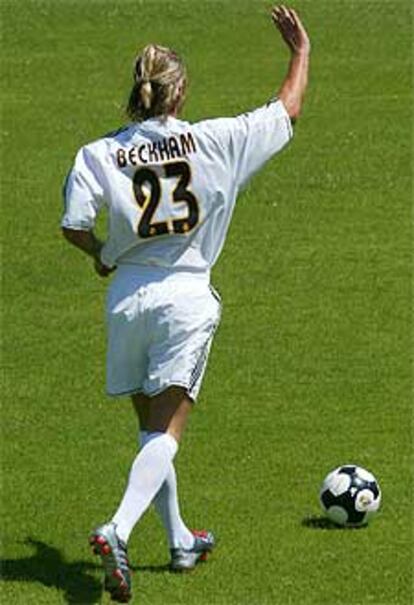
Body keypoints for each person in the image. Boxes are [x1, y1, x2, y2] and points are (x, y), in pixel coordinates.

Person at [61, 5, 310, 603]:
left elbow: (73, 224)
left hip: (126, 299)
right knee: (167, 434)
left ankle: (179, 540)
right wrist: (300, 54)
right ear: (179, 92)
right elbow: (288, 110)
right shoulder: (215, 140)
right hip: (185, 299)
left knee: (149, 429)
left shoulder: (99, 153)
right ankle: (116, 528)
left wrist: (101, 252)